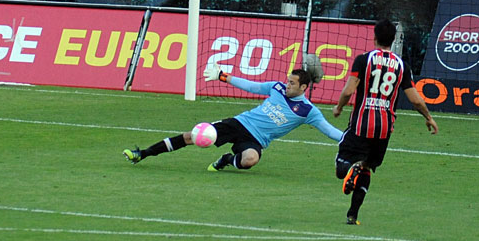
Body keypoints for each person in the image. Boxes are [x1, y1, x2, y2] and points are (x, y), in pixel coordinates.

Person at [123, 66, 343, 171]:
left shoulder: (308, 111)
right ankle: (142, 154)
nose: (287, 85)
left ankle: (226, 160)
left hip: (256, 140)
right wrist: (223, 76)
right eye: (287, 81)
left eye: (292, 83)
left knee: (249, 160)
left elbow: (328, 130)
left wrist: (349, 140)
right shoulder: (276, 87)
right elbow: (251, 85)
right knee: (194, 136)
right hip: (239, 123)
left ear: (304, 87)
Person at [332, 19, 439, 225]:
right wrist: (429, 117)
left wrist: (339, 107)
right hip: (384, 128)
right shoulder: (402, 66)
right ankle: (352, 215)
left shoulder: (363, 60)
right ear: (394, 39)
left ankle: (349, 167)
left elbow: (349, 90)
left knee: (341, 167)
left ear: (374, 37)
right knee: (368, 168)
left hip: (362, 123)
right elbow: (415, 99)